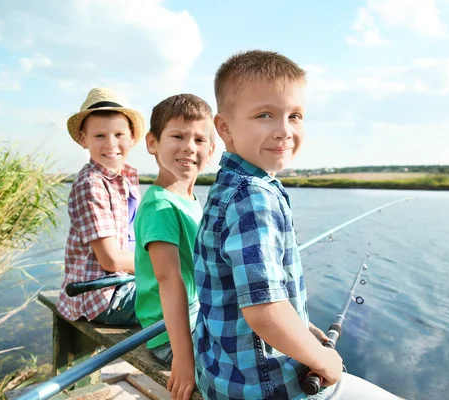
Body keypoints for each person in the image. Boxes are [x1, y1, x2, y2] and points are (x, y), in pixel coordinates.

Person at [192, 50, 343, 400]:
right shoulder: (253, 197)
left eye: (295, 116)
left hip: (221, 374)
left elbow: (256, 291)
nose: (284, 131)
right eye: (265, 115)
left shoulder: (229, 186)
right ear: (225, 128)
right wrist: (322, 358)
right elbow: (265, 311)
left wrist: (302, 327)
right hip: (261, 387)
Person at [134, 94, 215, 400]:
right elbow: (169, 280)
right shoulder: (160, 207)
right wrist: (183, 358)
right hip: (169, 336)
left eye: (199, 139)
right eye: (178, 136)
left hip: (198, 318)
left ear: (212, 149)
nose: (189, 147)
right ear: (152, 143)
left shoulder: (190, 200)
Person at [56, 87, 145, 325]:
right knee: (189, 300)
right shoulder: (91, 184)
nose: (111, 144)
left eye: (119, 134)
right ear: (84, 140)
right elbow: (112, 261)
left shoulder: (125, 178)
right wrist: (165, 265)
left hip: (125, 282)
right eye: (99, 136)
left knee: (194, 291)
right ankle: (170, 357)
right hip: (101, 297)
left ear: (132, 137)